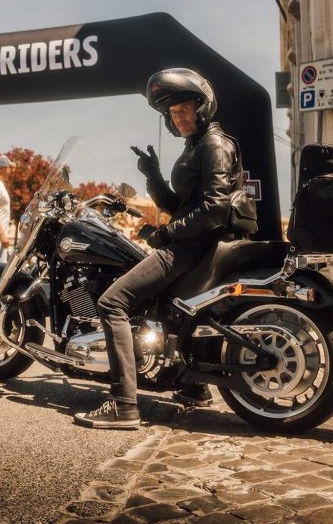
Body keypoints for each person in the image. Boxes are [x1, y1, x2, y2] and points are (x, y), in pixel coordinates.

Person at [74, 68, 243, 429]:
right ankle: (193, 386)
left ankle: (123, 404)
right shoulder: (197, 146)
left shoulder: (214, 144)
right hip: (191, 243)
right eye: (172, 113)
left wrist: (168, 235)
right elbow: (176, 203)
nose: (178, 117)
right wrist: (152, 174)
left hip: (189, 248)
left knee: (111, 302)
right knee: (165, 309)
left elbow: (215, 208)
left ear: (202, 107)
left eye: (184, 109)